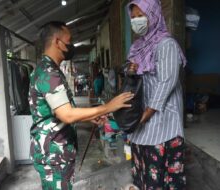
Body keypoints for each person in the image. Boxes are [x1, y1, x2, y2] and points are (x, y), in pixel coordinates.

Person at [28, 21, 134, 190]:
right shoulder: (48, 72)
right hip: (54, 153)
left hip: (56, 151)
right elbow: (67, 115)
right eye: (69, 41)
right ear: (57, 42)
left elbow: (59, 112)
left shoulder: (49, 69)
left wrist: (92, 116)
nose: (71, 45)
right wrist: (108, 107)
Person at [126, 0, 187, 189]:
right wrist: (130, 71)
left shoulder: (166, 44)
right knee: (143, 173)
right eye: (133, 17)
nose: (137, 21)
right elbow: (135, 81)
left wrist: (148, 113)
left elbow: (166, 82)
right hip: (142, 117)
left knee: (161, 176)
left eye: (140, 15)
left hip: (163, 119)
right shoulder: (137, 47)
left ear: (153, 14)